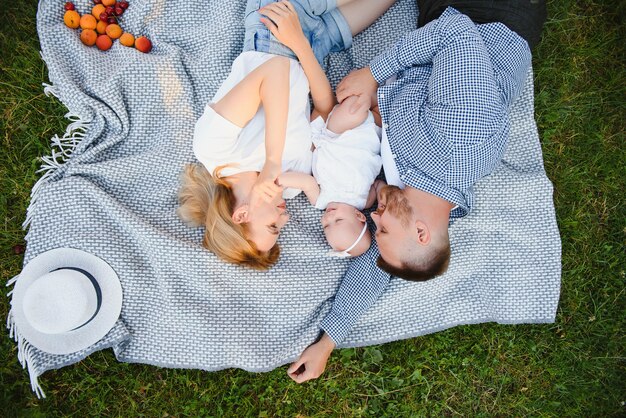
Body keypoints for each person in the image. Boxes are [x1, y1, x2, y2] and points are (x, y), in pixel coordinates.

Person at [287, 0, 547, 382]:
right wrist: (373, 75)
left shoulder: (425, 199)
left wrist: (328, 342)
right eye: (385, 227)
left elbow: (374, 271)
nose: (374, 218)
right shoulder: (461, 138)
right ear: (421, 232)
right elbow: (455, 32)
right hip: (488, 13)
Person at [178, 0, 396, 269]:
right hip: (315, 47)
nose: (285, 220)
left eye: (273, 226)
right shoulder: (292, 186)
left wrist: (272, 162)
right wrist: (303, 47)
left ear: (241, 215)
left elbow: (275, 70)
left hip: (276, 26)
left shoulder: (214, 150)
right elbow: (324, 113)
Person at [278, 93, 386, 258]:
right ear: (359, 216)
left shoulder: (321, 200)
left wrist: (278, 180)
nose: (329, 217)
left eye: (326, 226)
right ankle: (373, 93)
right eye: (338, 221)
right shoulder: (365, 201)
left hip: (336, 135)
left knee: (353, 110)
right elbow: (379, 185)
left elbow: (306, 182)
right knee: (379, 105)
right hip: (371, 136)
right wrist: (384, 204)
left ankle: (365, 93)